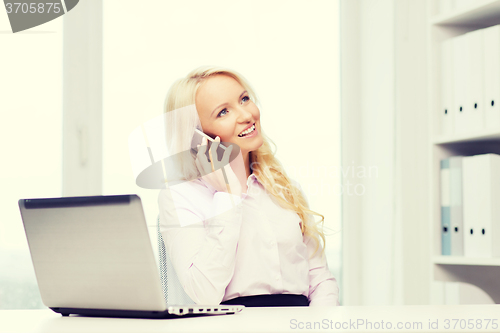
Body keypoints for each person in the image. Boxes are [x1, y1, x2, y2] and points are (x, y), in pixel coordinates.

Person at [158, 65, 340, 307]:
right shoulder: (180, 197)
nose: (246, 115)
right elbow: (204, 293)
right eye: (223, 112)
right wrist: (227, 195)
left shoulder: (285, 188)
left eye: (244, 99)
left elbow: (320, 282)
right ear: (198, 137)